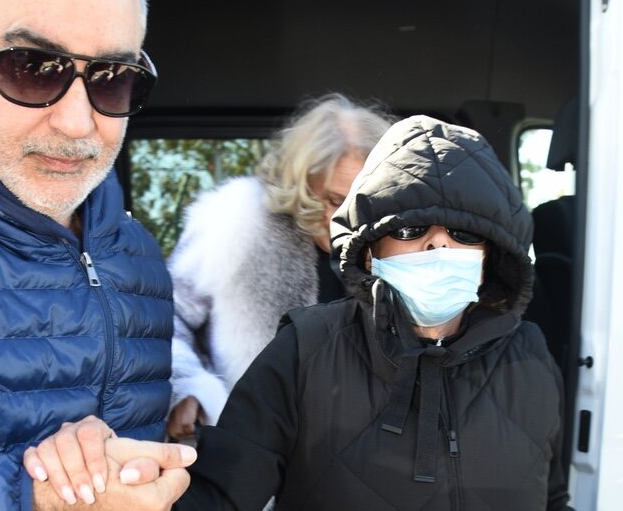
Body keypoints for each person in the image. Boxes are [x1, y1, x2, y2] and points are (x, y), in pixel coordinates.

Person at [0, 0, 194, 509]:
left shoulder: (136, 257)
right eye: (33, 68)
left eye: (112, 77)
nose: (78, 123)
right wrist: (35, 497)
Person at [173, 115, 573, 509]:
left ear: (491, 252)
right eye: (408, 229)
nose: (439, 247)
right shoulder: (304, 348)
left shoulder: (529, 354)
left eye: (464, 232)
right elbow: (219, 494)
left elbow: (551, 498)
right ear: (371, 245)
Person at [166, 93, 393, 439]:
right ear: (302, 184)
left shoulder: (400, 244)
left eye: (368, 202)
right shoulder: (235, 222)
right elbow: (163, 322)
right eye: (335, 200)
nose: (351, 220)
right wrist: (189, 388)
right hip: (249, 456)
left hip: (363, 463)